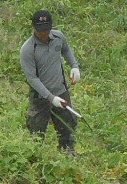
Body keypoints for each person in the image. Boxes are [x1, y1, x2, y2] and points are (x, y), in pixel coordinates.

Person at [19, 10, 81, 153]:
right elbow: (32, 78)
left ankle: (68, 153)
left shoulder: (58, 37)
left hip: (61, 91)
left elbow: (65, 50)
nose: (44, 34)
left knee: (67, 127)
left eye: (46, 30)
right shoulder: (28, 49)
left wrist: (74, 66)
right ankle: (35, 159)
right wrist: (50, 98)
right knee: (36, 133)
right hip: (40, 97)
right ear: (33, 27)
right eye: (40, 30)